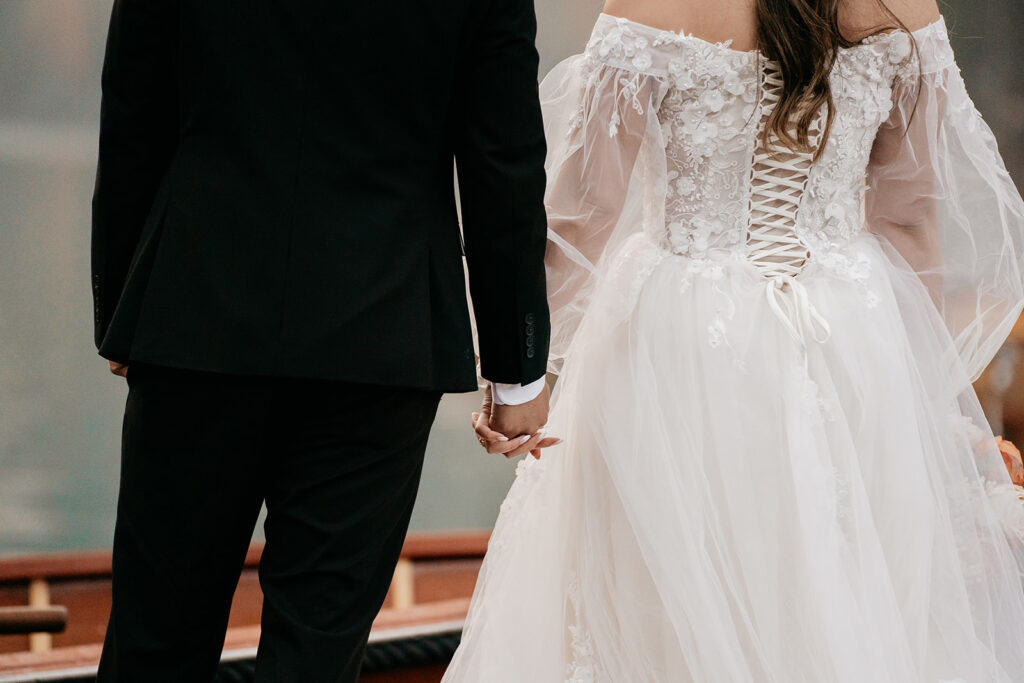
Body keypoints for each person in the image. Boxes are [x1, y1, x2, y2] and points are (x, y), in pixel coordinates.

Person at [449, 0, 1024, 679]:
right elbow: (910, 221)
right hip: (855, 343)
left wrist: (518, 375)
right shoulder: (904, 6)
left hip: (682, 345)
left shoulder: (652, 3)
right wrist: (924, 405)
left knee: (667, 613)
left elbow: (583, 217)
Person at [90, 0, 556, 680]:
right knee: (313, 657)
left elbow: (133, 106)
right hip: (382, 333)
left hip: (195, 314)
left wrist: (123, 311)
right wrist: (517, 375)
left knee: (154, 643)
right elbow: (503, 162)